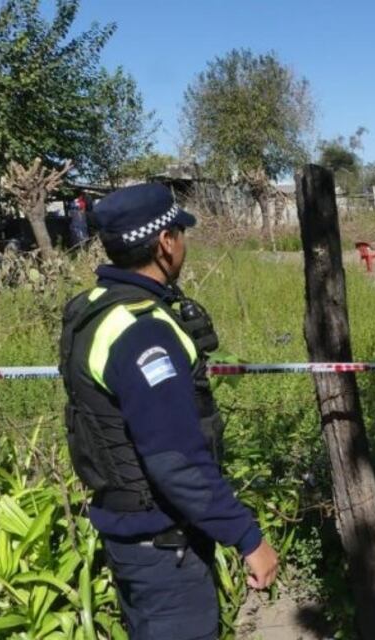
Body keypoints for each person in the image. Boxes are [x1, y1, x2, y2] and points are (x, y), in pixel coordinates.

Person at [58, 183, 279, 639]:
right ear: (165, 243)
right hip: (163, 553)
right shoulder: (143, 332)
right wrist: (247, 537)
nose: (183, 243)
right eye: (180, 232)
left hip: (134, 543)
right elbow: (175, 461)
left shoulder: (95, 309)